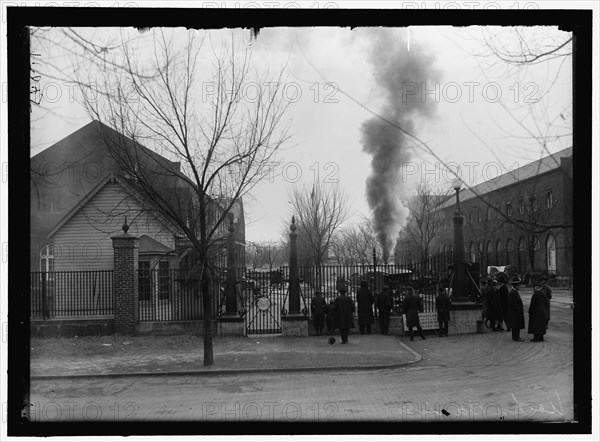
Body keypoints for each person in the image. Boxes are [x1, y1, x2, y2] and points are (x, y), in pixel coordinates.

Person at [506, 276, 525, 341]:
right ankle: (516, 337)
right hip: (515, 313)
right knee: (515, 325)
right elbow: (513, 304)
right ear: (515, 286)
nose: (519, 287)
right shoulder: (512, 293)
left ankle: (516, 336)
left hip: (516, 312)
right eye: (518, 286)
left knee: (517, 325)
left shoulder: (514, 292)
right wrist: (518, 309)